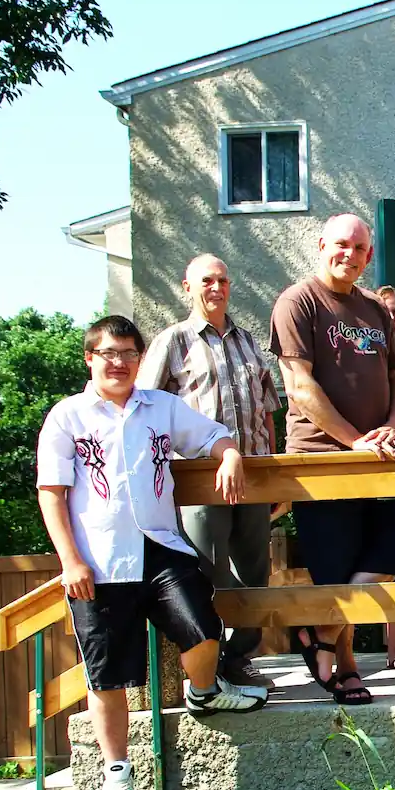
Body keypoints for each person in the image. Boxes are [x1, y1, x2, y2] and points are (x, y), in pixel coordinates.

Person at [37, 316, 264, 790]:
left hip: (160, 548)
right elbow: (51, 493)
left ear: (141, 360)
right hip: (97, 560)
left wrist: (229, 456)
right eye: (108, 354)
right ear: (90, 359)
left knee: (204, 630)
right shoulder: (68, 417)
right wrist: (69, 560)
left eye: (128, 354)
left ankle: (204, 692)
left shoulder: (159, 406)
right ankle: (117, 776)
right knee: (107, 677)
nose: (119, 363)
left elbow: (214, 435)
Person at [271, 214, 395, 703]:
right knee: (336, 569)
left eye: (359, 248)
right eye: (341, 245)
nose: (349, 255)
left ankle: (321, 636)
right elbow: (299, 386)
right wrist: (354, 440)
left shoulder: (373, 308)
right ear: (321, 245)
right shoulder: (299, 302)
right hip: (322, 462)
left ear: (368, 255)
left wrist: (392, 430)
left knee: (389, 555)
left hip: (379, 457)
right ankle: (346, 669)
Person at [139, 253, 281, 692]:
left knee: (256, 571)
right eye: (206, 281)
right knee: (207, 569)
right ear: (187, 287)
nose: (216, 288)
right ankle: (211, 661)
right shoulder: (172, 342)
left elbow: (269, 410)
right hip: (200, 480)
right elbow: (144, 410)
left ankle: (241, 658)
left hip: (254, 475)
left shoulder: (248, 341)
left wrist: (275, 475)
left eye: (222, 280)